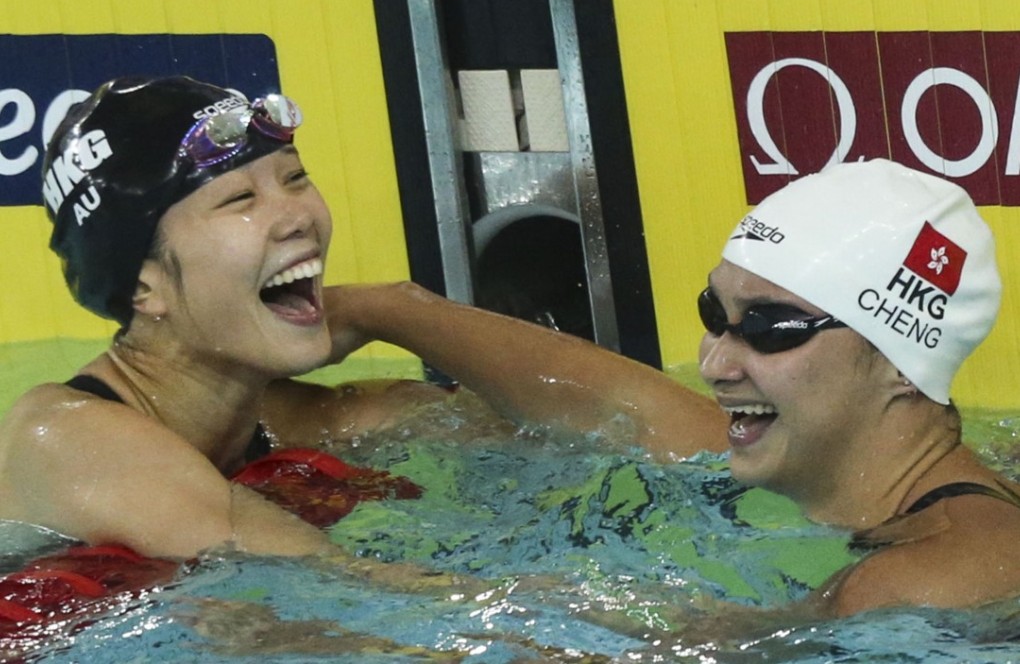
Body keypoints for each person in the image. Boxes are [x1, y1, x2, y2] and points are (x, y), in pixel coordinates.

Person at [0, 75, 726, 568]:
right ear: (142, 285)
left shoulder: (315, 426)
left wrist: (396, 308)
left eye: (294, 178)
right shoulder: (62, 437)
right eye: (237, 201)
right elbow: (350, 602)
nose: (297, 216)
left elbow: (685, 442)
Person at [318, 159, 1020, 618]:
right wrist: (386, 310)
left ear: (901, 363)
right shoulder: (811, 456)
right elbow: (613, 403)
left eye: (769, 328)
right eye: (715, 314)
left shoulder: (936, 576)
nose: (715, 361)